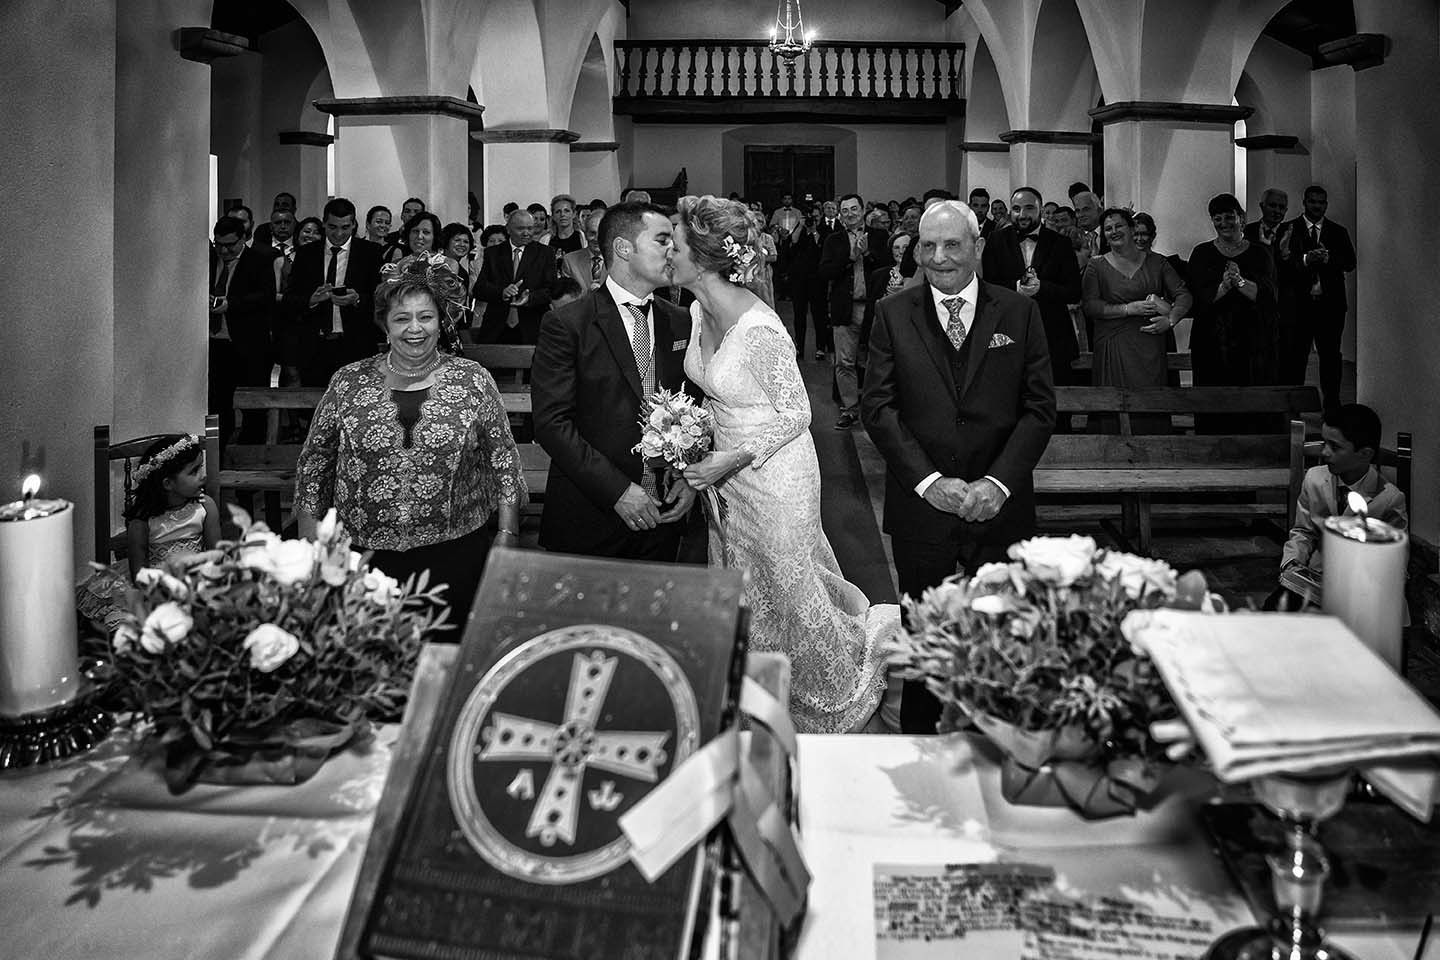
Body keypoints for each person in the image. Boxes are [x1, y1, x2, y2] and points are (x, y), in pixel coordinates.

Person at [671, 195, 891, 734]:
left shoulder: (759, 329)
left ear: (701, 258)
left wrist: (732, 456)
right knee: (744, 582)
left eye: (672, 245)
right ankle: (760, 691)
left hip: (774, 472)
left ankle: (834, 692)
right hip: (724, 476)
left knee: (789, 586)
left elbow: (797, 412)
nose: (665, 254)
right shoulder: (699, 310)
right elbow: (715, 390)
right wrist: (689, 430)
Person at [861, 200, 1056, 734]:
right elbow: (877, 406)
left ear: (978, 246)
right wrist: (929, 483)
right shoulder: (892, 314)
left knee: (1001, 642)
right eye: (928, 245)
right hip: (922, 513)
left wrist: (998, 483)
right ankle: (923, 753)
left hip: (1001, 510)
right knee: (926, 646)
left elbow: (1040, 408)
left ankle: (998, 750)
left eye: (952, 244)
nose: (939, 257)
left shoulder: (1018, 313)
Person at [294, 255, 525, 631]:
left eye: (426, 317)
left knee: (443, 668)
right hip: (362, 559)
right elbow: (314, 466)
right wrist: (310, 546)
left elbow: (505, 465)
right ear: (385, 324)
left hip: (455, 556)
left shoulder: (473, 380)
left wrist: (507, 535)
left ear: (442, 321)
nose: (414, 329)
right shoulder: (348, 382)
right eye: (402, 318)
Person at [531, 200, 696, 560]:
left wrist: (688, 477)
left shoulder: (680, 320)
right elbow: (551, 423)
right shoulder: (568, 323)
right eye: (663, 239)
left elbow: (693, 406)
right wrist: (619, 491)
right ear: (623, 248)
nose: (674, 250)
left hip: (664, 514)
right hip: (592, 513)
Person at [77, 433, 221, 632]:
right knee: (137, 628)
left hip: (196, 581)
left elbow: (216, 556)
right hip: (152, 587)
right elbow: (140, 573)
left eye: (201, 468)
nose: (202, 476)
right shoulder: (142, 520)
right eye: (194, 471)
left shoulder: (205, 507)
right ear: (168, 484)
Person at [1277, 403, 1407, 603]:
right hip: (1313, 582)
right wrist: (1293, 562)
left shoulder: (1389, 499)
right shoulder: (1314, 479)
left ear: (1365, 454)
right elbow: (1303, 532)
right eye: (1324, 443)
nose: (1325, 453)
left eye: (1335, 447)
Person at [1081, 208, 1192, 430]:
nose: (1114, 232)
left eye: (1119, 226)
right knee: (1112, 407)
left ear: (1131, 229)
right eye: (1108, 229)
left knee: (1149, 408)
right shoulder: (1096, 265)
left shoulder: (1158, 262)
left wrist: (1170, 320)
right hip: (1113, 345)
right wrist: (1127, 309)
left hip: (1148, 347)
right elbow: (1090, 305)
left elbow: (1184, 295)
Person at [980, 187, 1082, 418]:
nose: (1022, 214)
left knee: (1057, 406)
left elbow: (1074, 292)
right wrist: (1016, 288)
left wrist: (1042, 288)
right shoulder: (996, 241)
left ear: (1040, 209)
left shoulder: (1060, 243)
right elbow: (987, 287)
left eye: (1028, 208)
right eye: (1016, 209)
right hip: (1008, 334)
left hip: (1052, 337)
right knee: (1010, 406)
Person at [1187, 194, 1279, 410]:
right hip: (1211, 343)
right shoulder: (1201, 253)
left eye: (1229, 217)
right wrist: (1223, 287)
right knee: (1213, 405)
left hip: (1252, 343)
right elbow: (1197, 298)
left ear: (1241, 218)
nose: (1223, 223)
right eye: (1217, 218)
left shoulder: (1260, 253)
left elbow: (1268, 296)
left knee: (1250, 405)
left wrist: (1239, 281)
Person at [282, 197, 385, 387]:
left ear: (354, 225)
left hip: (355, 345)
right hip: (315, 345)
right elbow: (289, 300)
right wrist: (311, 300)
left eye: (345, 228)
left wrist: (357, 299)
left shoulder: (370, 253)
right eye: (332, 227)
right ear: (323, 223)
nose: (338, 234)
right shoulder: (306, 254)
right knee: (315, 408)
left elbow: (381, 299)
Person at [1274, 184, 1356, 412]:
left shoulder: (1338, 231)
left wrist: (1329, 259)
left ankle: (1332, 407)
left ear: (1326, 205)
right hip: (1299, 306)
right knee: (1295, 359)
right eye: (1313, 202)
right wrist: (1305, 259)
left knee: (1331, 357)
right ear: (1304, 202)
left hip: (1330, 306)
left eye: (1321, 203)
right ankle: (1292, 410)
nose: (1317, 206)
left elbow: (1350, 262)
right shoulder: (1289, 229)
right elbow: (1280, 264)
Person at [819, 193, 892, 430]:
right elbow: (825, 272)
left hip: (875, 307)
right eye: (845, 211)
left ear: (863, 210)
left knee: (876, 360)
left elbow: (891, 265)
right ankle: (849, 409)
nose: (850, 214)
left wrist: (867, 253)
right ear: (840, 215)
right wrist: (850, 257)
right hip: (844, 308)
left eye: (854, 209)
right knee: (844, 361)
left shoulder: (880, 236)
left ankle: (875, 408)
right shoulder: (834, 240)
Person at [208, 215, 276, 446]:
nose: (224, 250)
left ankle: (253, 454)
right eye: (219, 244)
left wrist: (230, 304)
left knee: (253, 407)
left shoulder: (259, 260)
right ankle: (219, 455)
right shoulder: (207, 260)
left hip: (249, 345)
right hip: (215, 344)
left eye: (230, 245)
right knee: (217, 403)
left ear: (243, 239)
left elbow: (265, 297)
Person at [475, 207, 556, 344]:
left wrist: (530, 298)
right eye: (520, 229)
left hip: (532, 326)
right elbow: (479, 289)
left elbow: (552, 290)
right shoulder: (493, 253)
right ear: (508, 229)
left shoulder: (545, 253)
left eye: (530, 228)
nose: (526, 233)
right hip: (497, 327)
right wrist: (501, 292)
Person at [559, 208, 607, 291]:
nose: (596, 239)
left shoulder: (619, 261)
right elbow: (569, 297)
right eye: (592, 233)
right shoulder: (570, 261)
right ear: (585, 233)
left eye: (601, 234)